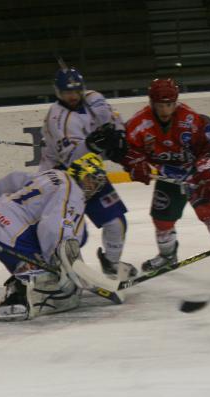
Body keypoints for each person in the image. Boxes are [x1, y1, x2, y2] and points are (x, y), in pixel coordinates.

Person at [122, 78, 210, 276]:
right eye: (160, 105)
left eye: (169, 104)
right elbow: (128, 149)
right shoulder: (139, 123)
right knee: (162, 219)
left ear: (175, 102)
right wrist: (136, 165)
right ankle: (167, 256)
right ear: (152, 102)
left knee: (209, 213)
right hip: (168, 175)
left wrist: (205, 175)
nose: (165, 110)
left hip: (196, 171)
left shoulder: (189, 119)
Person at [0, 153, 108, 321]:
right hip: (14, 236)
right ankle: (24, 298)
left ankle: (20, 284)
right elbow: (53, 227)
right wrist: (56, 263)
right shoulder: (73, 192)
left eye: (97, 183)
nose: (94, 186)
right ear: (80, 173)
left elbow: (15, 179)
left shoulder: (54, 174)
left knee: (46, 262)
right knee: (67, 290)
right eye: (91, 179)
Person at [39, 64, 136, 279]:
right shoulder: (58, 119)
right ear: (58, 93)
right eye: (67, 92)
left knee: (116, 222)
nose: (73, 96)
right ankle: (59, 272)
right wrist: (93, 145)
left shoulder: (94, 98)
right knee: (67, 232)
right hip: (62, 176)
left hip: (90, 171)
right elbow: (72, 158)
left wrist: (118, 136)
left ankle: (111, 263)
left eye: (76, 91)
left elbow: (113, 120)